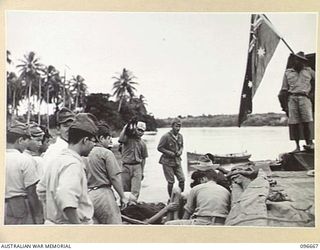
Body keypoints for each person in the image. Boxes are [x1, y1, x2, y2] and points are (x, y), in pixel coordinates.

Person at [37, 113, 98, 224]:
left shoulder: (58, 159)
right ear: (85, 140)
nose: (94, 146)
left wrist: (52, 214)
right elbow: (66, 197)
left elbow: (41, 190)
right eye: (93, 141)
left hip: (54, 223)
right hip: (69, 226)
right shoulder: (73, 164)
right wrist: (76, 226)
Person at [86, 123, 128, 224]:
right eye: (108, 138)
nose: (110, 141)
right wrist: (123, 196)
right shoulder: (106, 153)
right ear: (101, 138)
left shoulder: (84, 153)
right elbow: (114, 177)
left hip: (87, 195)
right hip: (103, 195)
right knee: (114, 229)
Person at [5, 121, 43, 224]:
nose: (27, 144)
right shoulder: (25, 159)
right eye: (27, 140)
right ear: (20, 140)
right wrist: (38, 215)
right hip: (18, 205)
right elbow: (31, 193)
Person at [165, 169, 230, 225]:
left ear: (204, 179)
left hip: (202, 222)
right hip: (221, 223)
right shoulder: (226, 191)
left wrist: (179, 219)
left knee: (168, 224)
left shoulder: (196, 188)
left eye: (200, 180)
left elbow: (188, 212)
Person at [280, 51, 315, 152]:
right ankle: (297, 146)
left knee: (307, 122)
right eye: (297, 60)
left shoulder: (309, 71)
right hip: (292, 98)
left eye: (302, 61)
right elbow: (284, 89)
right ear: (294, 61)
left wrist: (312, 93)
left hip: (305, 98)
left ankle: (309, 143)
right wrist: (285, 105)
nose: (299, 62)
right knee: (294, 123)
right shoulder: (288, 73)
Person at [118, 119, 148, 199]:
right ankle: (125, 207)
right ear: (135, 129)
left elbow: (144, 158)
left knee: (135, 191)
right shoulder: (126, 139)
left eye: (142, 131)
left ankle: (133, 206)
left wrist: (142, 171)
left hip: (137, 167)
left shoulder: (143, 143)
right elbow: (120, 139)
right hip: (125, 167)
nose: (140, 132)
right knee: (125, 190)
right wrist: (127, 126)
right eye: (139, 130)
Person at [157, 118, 185, 197]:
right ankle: (171, 198)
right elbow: (159, 148)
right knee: (171, 181)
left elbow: (181, 146)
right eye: (176, 126)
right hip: (167, 161)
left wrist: (180, 151)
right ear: (172, 126)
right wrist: (170, 153)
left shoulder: (180, 136)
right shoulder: (165, 136)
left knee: (182, 179)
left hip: (177, 161)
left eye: (179, 126)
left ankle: (180, 197)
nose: (178, 129)